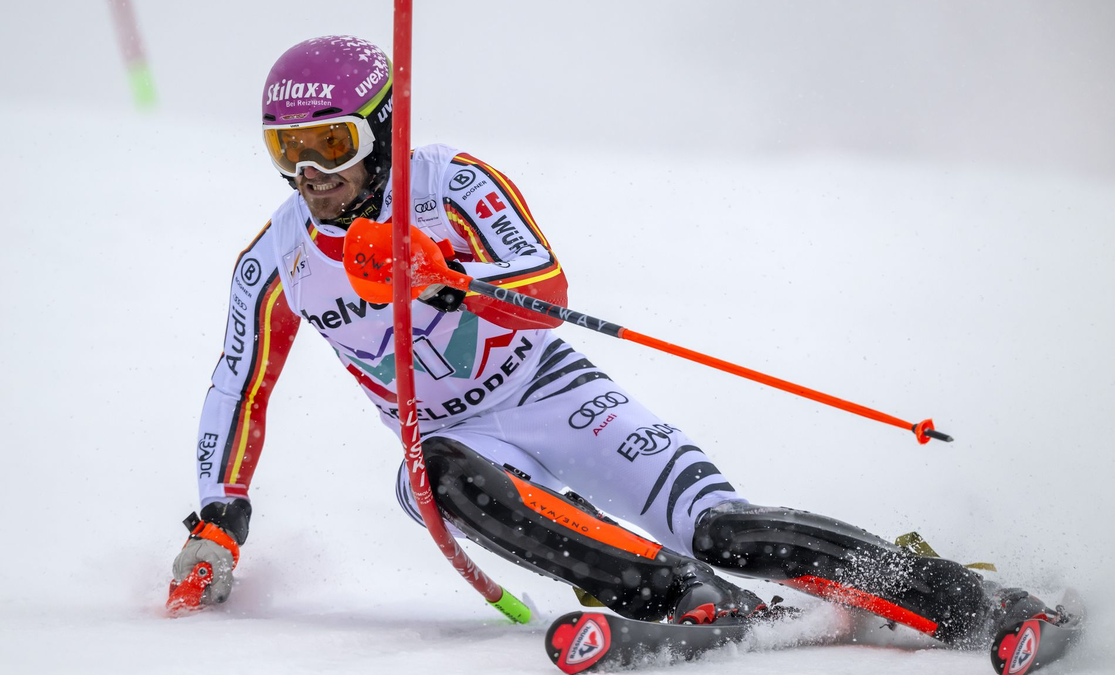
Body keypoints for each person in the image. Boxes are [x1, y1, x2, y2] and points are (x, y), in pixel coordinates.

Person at [170, 35, 1055, 644]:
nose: (312, 176)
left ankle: (977, 601)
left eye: (332, 143)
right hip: (453, 438)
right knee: (427, 475)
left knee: (727, 527)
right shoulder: (278, 259)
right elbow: (238, 384)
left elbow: (546, 294)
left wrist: (440, 268)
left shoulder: (451, 186)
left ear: (384, 128)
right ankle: (685, 600)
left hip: (554, 392)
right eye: (289, 150)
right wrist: (218, 521)